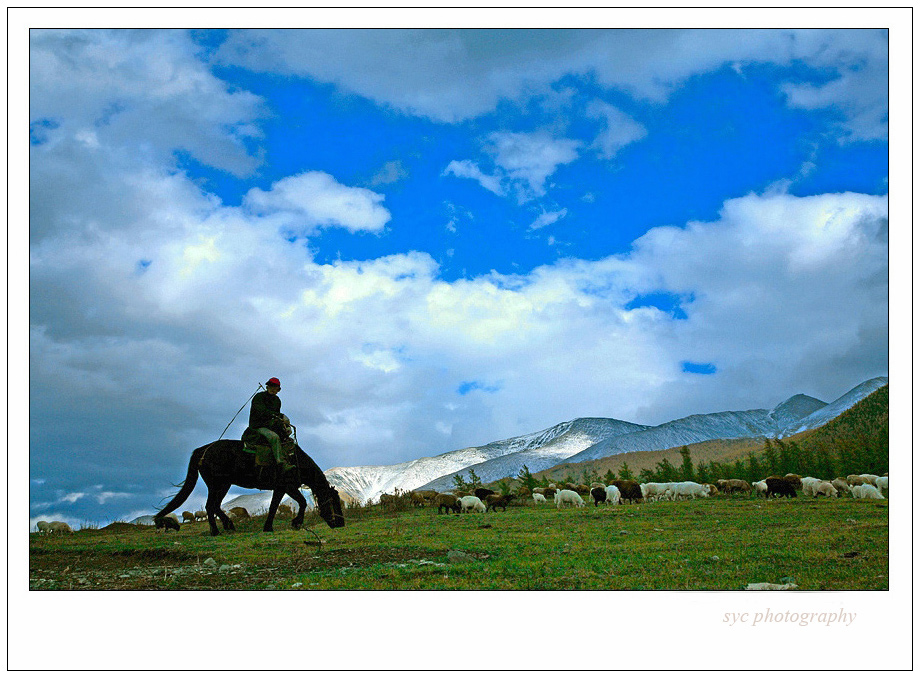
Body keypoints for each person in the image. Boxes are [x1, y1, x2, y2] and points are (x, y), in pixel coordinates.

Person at [249, 377, 287, 467]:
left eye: (276, 388)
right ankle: (280, 461)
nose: (273, 389)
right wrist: (280, 416)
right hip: (258, 426)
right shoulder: (259, 397)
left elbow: (276, 416)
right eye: (271, 387)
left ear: (278, 390)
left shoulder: (277, 401)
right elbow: (262, 412)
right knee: (274, 437)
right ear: (267, 387)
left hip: (270, 426)